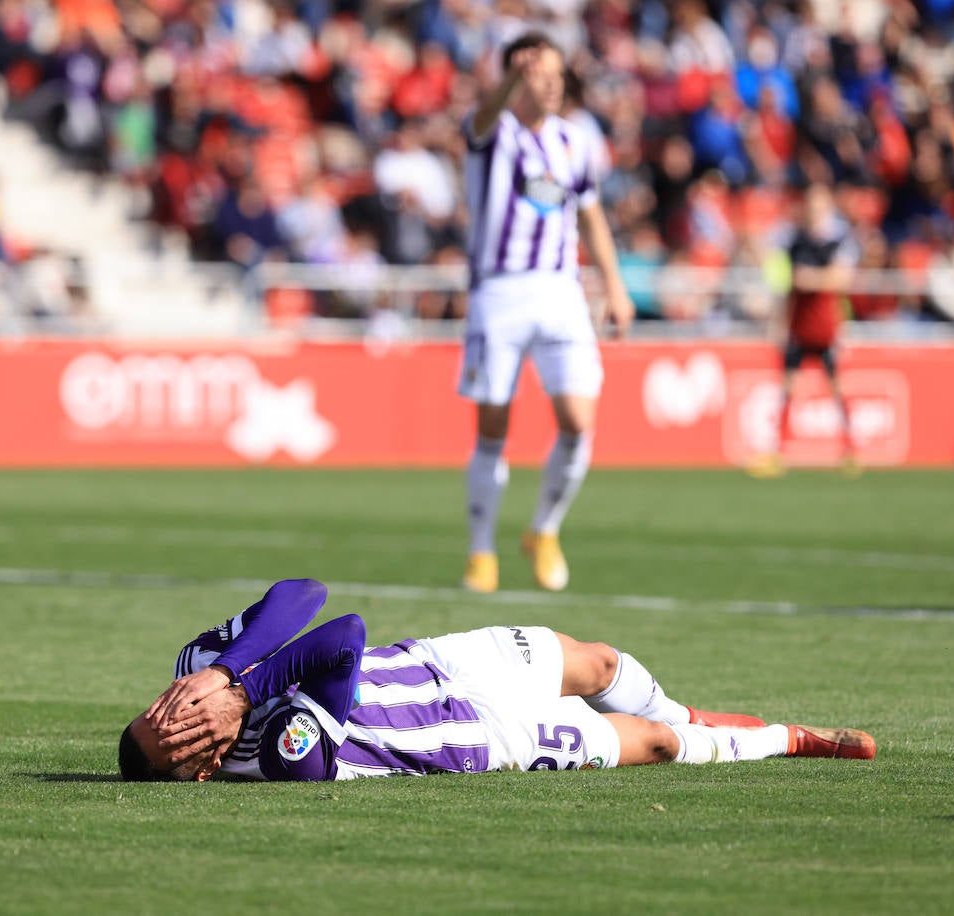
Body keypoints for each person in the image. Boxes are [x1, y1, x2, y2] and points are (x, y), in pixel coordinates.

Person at [118, 579, 876, 783]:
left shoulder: (199, 673)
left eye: (162, 713)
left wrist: (222, 669)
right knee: (655, 744)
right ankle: (788, 740)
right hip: (472, 736)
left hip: (441, 661)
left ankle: (695, 712)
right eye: (176, 740)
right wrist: (245, 692)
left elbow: (302, 593)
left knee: (596, 661)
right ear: (199, 772)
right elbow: (343, 637)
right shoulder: (278, 758)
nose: (179, 717)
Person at [458, 33, 635, 594]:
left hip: (561, 292)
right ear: (516, 77)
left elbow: (591, 214)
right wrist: (513, 78)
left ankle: (544, 529)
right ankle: (481, 551)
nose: (554, 83)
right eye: (541, 73)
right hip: (499, 292)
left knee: (579, 421)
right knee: (493, 427)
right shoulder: (493, 131)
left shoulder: (575, 140)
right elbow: (483, 116)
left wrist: (614, 284)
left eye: (559, 73)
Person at [748, 183, 859, 478]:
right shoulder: (794, 242)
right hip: (798, 327)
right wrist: (778, 324)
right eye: (810, 205)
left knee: (837, 389)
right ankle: (777, 453)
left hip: (826, 327)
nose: (813, 210)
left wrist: (812, 279)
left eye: (819, 205)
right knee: (786, 389)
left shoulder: (838, 242)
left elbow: (842, 280)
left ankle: (851, 450)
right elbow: (784, 286)